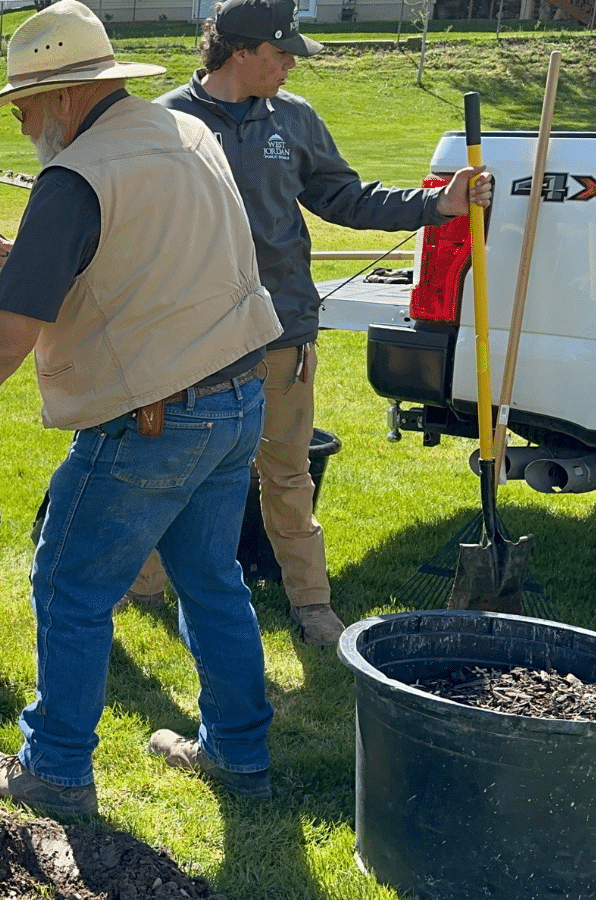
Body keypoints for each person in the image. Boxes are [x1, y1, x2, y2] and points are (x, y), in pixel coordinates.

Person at [0, 0, 284, 815]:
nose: (23, 127)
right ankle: (241, 754)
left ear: (66, 95)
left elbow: (4, 340)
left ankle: (56, 768)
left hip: (155, 418)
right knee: (211, 580)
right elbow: (160, 258)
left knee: (70, 583)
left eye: (25, 109)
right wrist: (45, 261)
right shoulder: (184, 132)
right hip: (240, 393)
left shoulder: (76, 176)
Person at [141, 0, 494, 646]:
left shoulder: (295, 119)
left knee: (287, 472)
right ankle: (143, 589)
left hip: (281, 332)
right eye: (280, 54)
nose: (290, 66)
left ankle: (311, 604)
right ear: (241, 53)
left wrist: (437, 204)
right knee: (174, 468)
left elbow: (345, 197)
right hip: (189, 341)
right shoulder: (164, 123)